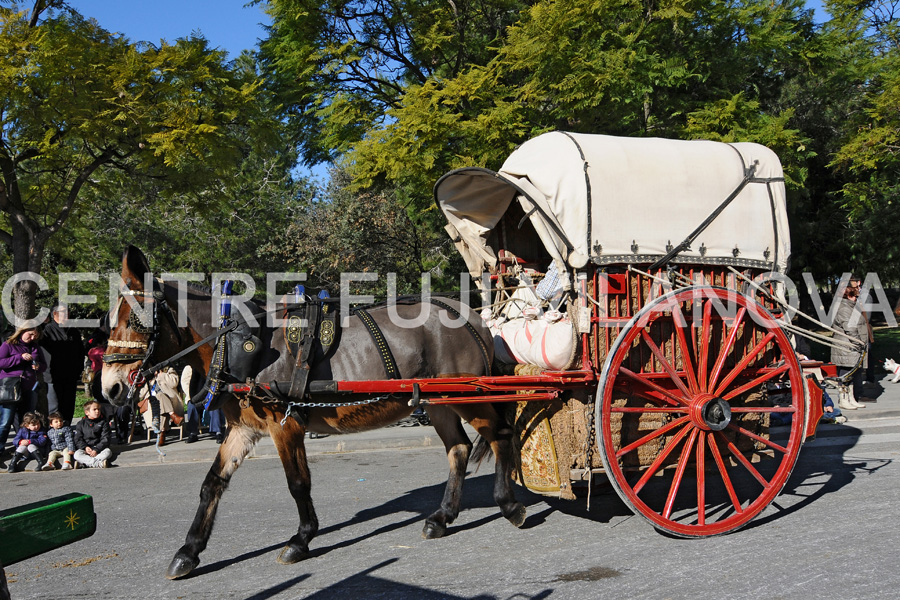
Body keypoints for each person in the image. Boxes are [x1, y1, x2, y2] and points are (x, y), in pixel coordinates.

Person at [0, 326, 47, 463]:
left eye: (35, 336)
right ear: (22, 331)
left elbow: (44, 365)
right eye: (30, 334)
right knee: (5, 421)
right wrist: (19, 358)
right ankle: (1, 449)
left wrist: (38, 366)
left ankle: (25, 448)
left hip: (29, 387)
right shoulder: (8, 345)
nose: (32, 338)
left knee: (27, 420)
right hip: (11, 388)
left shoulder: (35, 347)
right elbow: (1, 362)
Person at [40, 305, 86, 425]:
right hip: (52, 375)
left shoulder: (73, 331)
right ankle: (55, 433)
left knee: (69, 405)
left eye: (67, 313)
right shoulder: (47, 331)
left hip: (70, 375)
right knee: (54, 406)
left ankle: (66, 429)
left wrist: (79, 369)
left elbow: (80, 352)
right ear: (54, 314)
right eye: (63, 313)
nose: (66, 315)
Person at [830, 277, 871, 410]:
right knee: (846, 374)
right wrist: (859, 343)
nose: (856, 297)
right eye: (854, 294)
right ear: (848, 294)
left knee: (853, 374)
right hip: (847, 347)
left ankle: (851, 398)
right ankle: (843, 399)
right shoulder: (844, 308)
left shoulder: (851, 306)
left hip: (853, 347)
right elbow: (850, 328)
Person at [139, 367, 185, 446]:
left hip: (170, 401)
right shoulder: (149, 376)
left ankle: (161, 432)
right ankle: (172, 415)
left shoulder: (170, 370)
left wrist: (161, 375)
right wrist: (149, 382)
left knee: (160, 397)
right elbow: (141, 394)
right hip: (151, 404)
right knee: (159, 399)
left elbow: (174, 383)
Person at [73, 400, 113, 468]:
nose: (97, 411)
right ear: (87, 412)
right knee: (77, 455)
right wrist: (85, 447)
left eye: (98, 409)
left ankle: (85, 464)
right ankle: (99, 464)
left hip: (99, 449)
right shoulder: (80, 424)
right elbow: (78, 438)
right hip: (86, 449)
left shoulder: (104, 422)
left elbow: (106, 438)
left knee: (108, 452)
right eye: (94, 409)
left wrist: (96, 449)